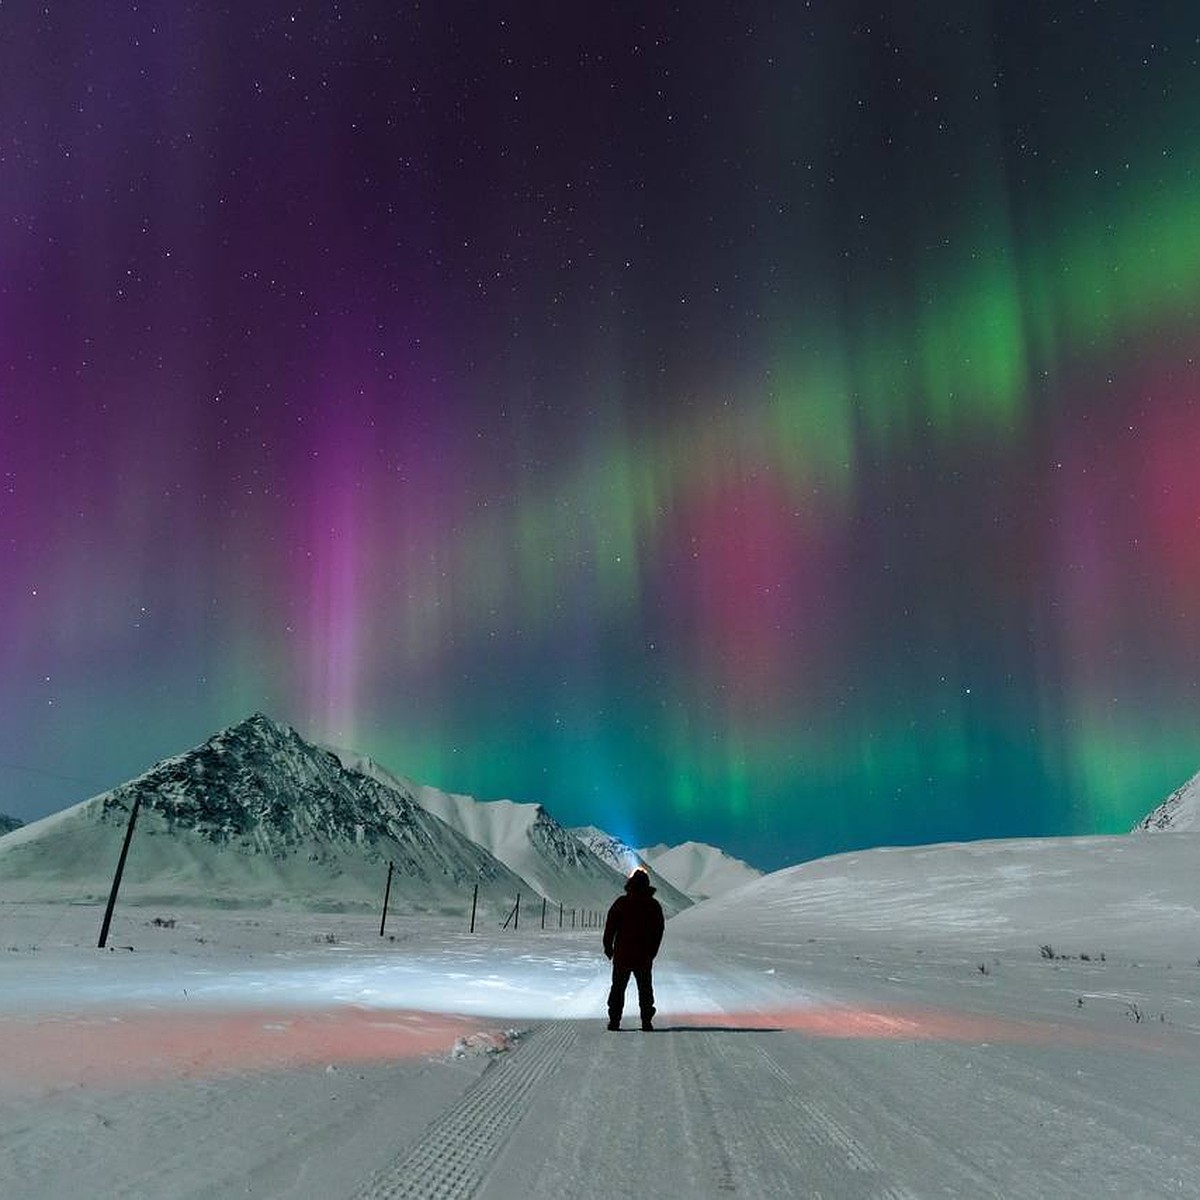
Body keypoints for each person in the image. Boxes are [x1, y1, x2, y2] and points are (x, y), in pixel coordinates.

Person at [602, 866, 665, 1031]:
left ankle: (614, 1021)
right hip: (643, 956)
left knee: (617, 988)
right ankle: (646, 1021)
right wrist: (652, 952)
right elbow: (658, 930)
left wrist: (608, 947)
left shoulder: (621, 902)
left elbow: (610, 927)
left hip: (622, 954)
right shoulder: (653, 905)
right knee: (645, 989)